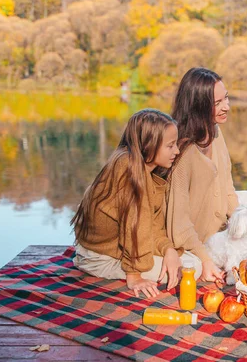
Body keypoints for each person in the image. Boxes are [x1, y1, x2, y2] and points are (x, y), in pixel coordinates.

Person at [72, 109, 201, 299]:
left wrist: (168, 249)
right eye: (170, 145)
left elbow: (152, 225)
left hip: (116, 248)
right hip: (98, 258)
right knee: (192, 268)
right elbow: (134, 227)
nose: (177, 151)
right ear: (149, 145)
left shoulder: (140, 168)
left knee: (185, 262)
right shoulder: (127, 170)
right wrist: (134, 276)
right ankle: (126, 269)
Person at [167, 67, 247, 283]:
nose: (227, 106)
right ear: (198, 105)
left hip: (225, 226)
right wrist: (207, 258)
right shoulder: (181, 150)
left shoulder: (215, 131)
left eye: (226, 98)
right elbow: (178, 224)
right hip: (200, 240)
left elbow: (227, 189)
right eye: (217, 103)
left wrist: (241, 229)